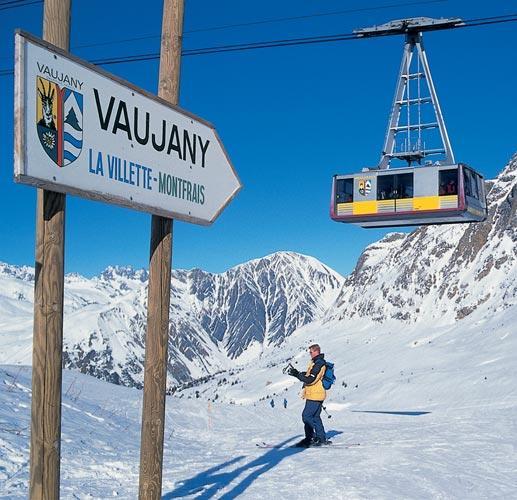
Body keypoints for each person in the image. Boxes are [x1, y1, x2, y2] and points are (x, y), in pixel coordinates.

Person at [287, 344, 330, 447]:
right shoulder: (316, 363)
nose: (310, 354)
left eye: (311, 352)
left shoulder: (319, 364)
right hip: (316, 394)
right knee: (315, 417)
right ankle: (321, 438)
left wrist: (297, 374)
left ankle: (311, 438)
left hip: (315, 395)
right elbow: (309, 375)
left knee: (306, 416)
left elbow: (310, 379)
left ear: (316, 351)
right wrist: (297, 373)